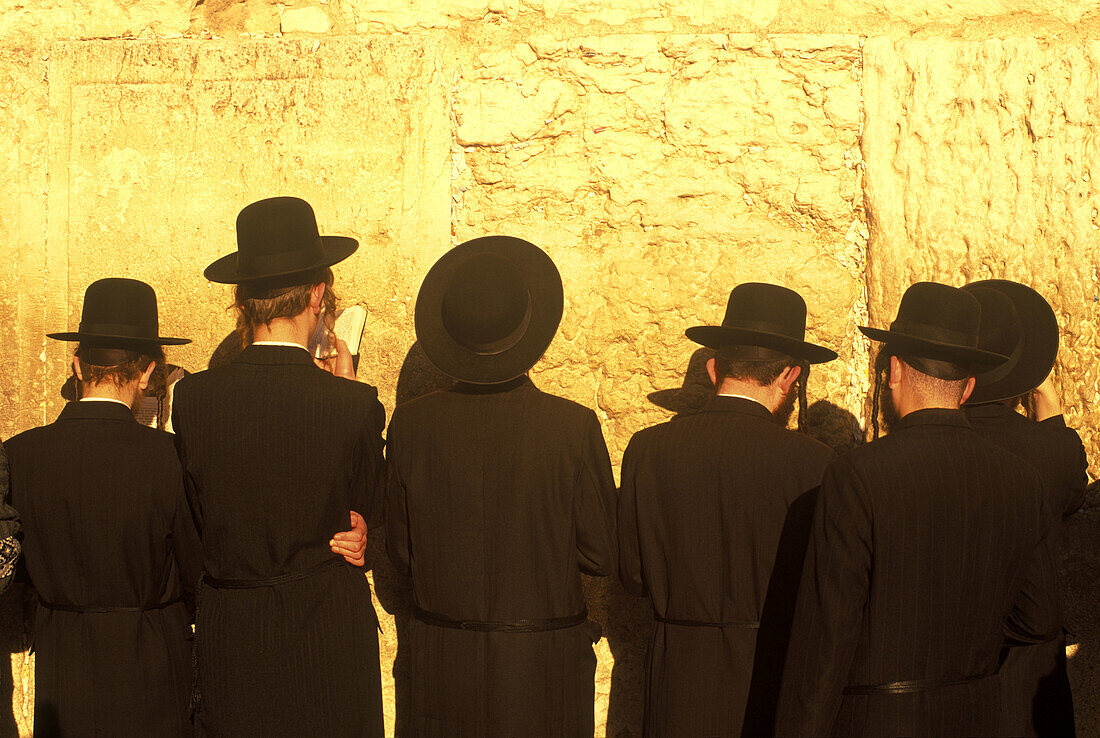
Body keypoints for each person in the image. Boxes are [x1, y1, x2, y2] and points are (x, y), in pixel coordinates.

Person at [776, 281, 1062, 736]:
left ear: (893, 371)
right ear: (968, 387)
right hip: (980, 718)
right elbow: (1039, 620)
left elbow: (826, 640)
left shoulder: (858, 475)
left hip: (878, 723)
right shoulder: (1023, 481)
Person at [384, 235, 616, 737]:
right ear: (528, 330)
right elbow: (601, 553)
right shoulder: (572, 428)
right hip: (543, 669)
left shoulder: (411, 426)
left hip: (441, 666)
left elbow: (401, 554)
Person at [172, 196, 386, 736]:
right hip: (328, 639)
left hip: (232, 636)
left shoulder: (193, 400)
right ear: (318, 294)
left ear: (240, 299)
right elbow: (377, 517)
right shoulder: (352, 405)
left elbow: (195, 522)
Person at [617, 282, 837, 737]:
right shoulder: (815, 463)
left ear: (714, 368)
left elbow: (634, 576)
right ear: (790, 377)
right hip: (769, 676)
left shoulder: (648, 449)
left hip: (676, 673)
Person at [4, 277, 200, 737]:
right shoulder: (172, 457)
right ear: (148, 372)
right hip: (154, 664)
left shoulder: (19, 455)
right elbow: (197, 571)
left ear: (76, 365)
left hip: (63, 666)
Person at [961, 280, 1087, 736]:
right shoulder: (1051, 451)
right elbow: (1072, 488)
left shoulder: (933, 442)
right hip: (1028, 682)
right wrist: (1050, 414)